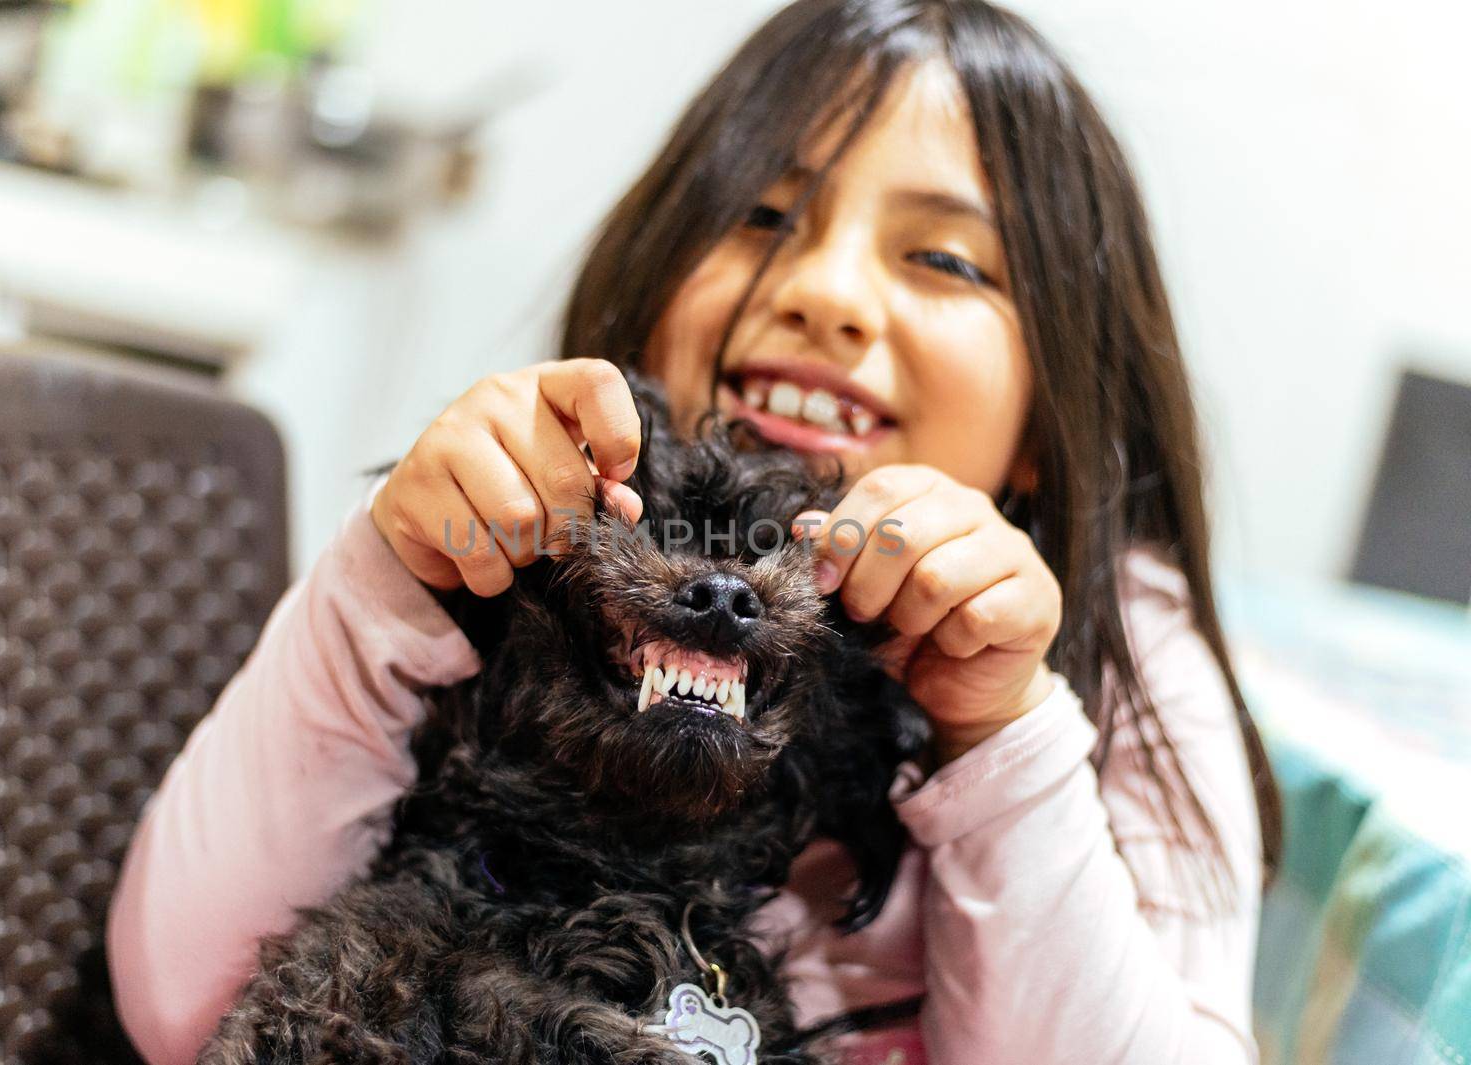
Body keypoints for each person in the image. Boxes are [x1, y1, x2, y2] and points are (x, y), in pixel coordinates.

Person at [106, 1, 1281, 1062]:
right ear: (652, 289)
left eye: (941, 258)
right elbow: (189, 1006)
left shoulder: (1125, 654)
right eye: (764, 214)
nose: (823, 292)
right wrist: (385, 583)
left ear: (1050, 412)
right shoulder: (520, 554)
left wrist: (1005, 737)